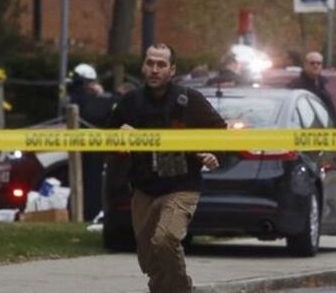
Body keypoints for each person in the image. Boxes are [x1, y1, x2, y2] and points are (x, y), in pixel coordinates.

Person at [107, 43, 226, 293]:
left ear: (172, 70)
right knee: (151, 260)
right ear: (142, 66)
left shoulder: (189, 100)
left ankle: (183, 290)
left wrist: (213, 153)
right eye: (150, 63)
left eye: (161, 64)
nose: (154, 69)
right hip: (144, 189)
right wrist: (119, 137)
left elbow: (220, 132)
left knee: (166, 239)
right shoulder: (130, 103)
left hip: (181, 186)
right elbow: (108, 143)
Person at [69, 63, 115, 221]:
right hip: (91, 147)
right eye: (91, 83)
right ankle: (90, 213)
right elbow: (96, 113)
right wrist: (101, 96)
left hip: (85, 145)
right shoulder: (85, 99)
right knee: (92, 182)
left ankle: (84, 212)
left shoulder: (75, 97)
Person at [288, 51, 336, 125]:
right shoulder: (295, 86)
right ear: (305, 65)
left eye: (318, 63)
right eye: (312, 63)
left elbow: (331, 111)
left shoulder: (323, 85)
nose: (316, 66)